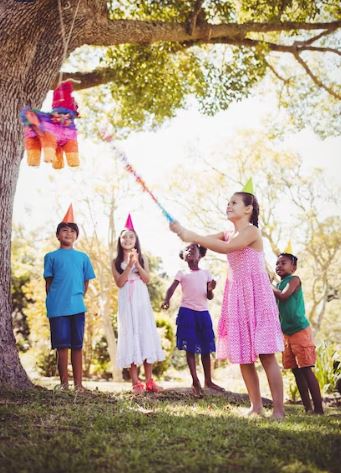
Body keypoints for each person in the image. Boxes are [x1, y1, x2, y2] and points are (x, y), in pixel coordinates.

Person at [170, 187, 285, 418]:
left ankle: (279, 410)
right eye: (228, 202)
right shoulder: (227, 232)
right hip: (238, 297)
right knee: (243, 354)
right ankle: (256, 406)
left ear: (249, 209)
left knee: (266, 355)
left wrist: (190, 234)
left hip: (257, 296)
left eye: (234, 202)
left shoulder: (252, 232)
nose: (229, 205)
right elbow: (202, 243)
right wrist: (183, 232)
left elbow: (226, 248)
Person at [44, 205, 95, 391]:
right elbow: (48, 283)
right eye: (64, 230)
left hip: (77, 307)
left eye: (72, 231)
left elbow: (85, 282)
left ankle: (79, 385)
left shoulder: (83, 257)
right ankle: (64, 383)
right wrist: (55, 301)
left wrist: (76, 298)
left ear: (76, 236)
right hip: (57, 308)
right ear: (58, 235)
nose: (68, 233)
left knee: (77, 345)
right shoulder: (50, 256)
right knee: (62, 346)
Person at [162, 243, 225, 395]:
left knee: (205, 347)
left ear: (200, 255)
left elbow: (209, 296)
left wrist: (210, 289)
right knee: (190, 347)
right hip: (187, 313)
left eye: (193, 249)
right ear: (183, 256)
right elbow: (171, 288)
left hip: (203, 313)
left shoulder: (206, 274)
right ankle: (195, 381)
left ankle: (208, 381)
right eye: (186, 249)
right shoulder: (182, 272)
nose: (189, 250)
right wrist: (166, 300)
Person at [112, 215, 165, 394]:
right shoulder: (115, 261)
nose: (127, 240)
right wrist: (128, 266)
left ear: (136, 240)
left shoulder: (143, 258)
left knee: (145, 333)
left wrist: (136, 263)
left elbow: (147, 279)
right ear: (120, 241)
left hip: (141, 299)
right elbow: (119, 282)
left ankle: (150, 380)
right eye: (124, 237)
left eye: (131, 237)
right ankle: (135, 381)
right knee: (130, 333)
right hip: (126, 299)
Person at [273, 252, 324, 414]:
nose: (279, 266)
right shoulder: (278, 285)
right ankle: (307, 408)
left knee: (306, 368)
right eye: (277, 263)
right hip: (286, 333)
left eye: (283, 263)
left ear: (293, 267)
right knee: (296, 370)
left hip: (300, 331)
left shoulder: (294, 280)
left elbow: (284, 296)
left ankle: (319, 409)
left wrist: (268, 285)